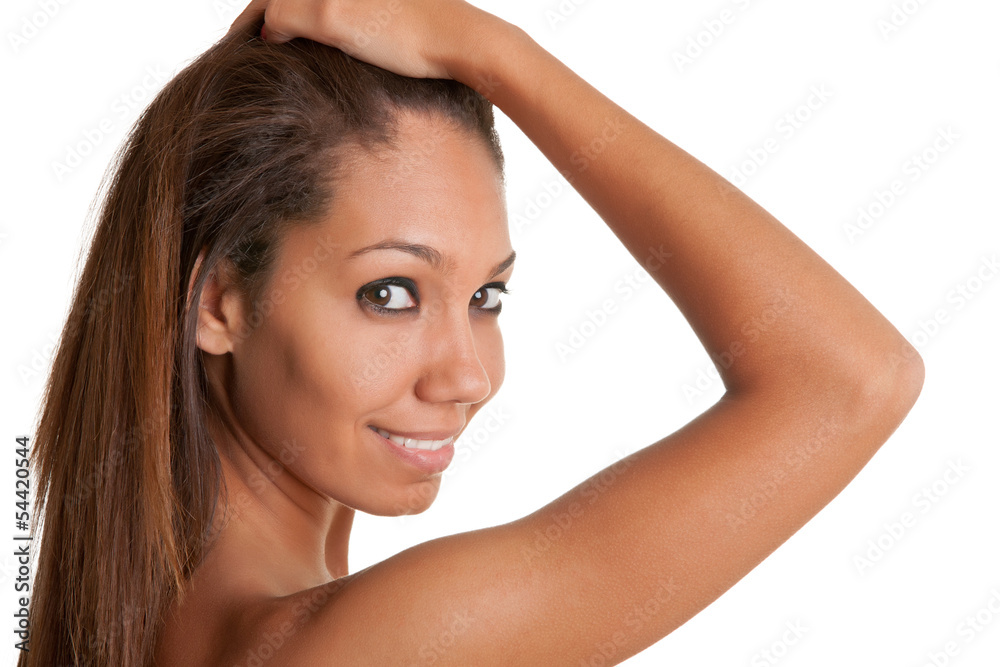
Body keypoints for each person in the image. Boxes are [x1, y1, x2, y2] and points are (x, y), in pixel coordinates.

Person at [21, 1, 924, 665]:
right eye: (389, 292)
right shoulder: (365, 646)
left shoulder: (130, 624)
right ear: (216, 302)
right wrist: (497, 52)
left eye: (486, 298)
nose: (467, 376)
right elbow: (850, 378)